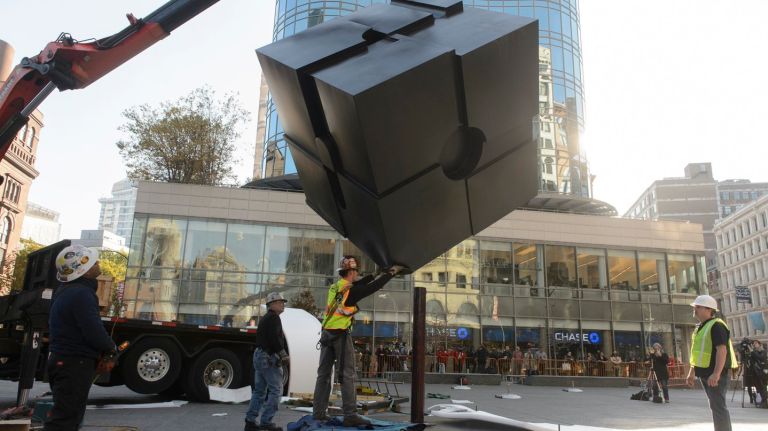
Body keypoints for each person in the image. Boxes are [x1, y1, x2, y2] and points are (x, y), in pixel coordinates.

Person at [312, 256, 403, 427]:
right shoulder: (351, 292)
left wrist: (373, 274)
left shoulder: (336, 287)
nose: (357, 275)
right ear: (352, 272)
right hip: (340, 335)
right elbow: (371, 288)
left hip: (326, 334)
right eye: (356, 272)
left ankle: (318, 413)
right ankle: (350, 415)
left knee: (323, 376)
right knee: (348, 375)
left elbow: (359, 285)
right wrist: (390, 273)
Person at [45, 245, 116, 431]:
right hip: (74, 364)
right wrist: (110, 348)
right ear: (83, 270)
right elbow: (93, 329)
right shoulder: (82, 294)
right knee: (65, 420)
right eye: (93, 262)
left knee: (67, 415)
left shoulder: (66, 291)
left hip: (63, 361)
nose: (98, 263)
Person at [686, 295, 738, 431]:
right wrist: (692, 373)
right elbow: (696, 353)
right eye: (695, 307)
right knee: (715, 406)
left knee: (718, 407)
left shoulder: (717, 326)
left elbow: (722, 350)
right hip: (705, 373)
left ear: (709, 309)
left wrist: (716, 374)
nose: (695, 309)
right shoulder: (700, 327)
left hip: (714, 375)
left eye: (698, 307)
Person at [244, 292, 290, 431]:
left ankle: (250, 422)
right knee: (276, 390)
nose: (283, 304)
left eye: (283, 302)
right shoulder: (274, 318)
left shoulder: (266, 318)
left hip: (260, 355)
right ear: (272, 304)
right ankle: (266, 422)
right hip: (268, 357)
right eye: (280, 302)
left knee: (259, 391)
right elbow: (274, 339)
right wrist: (283, 355)